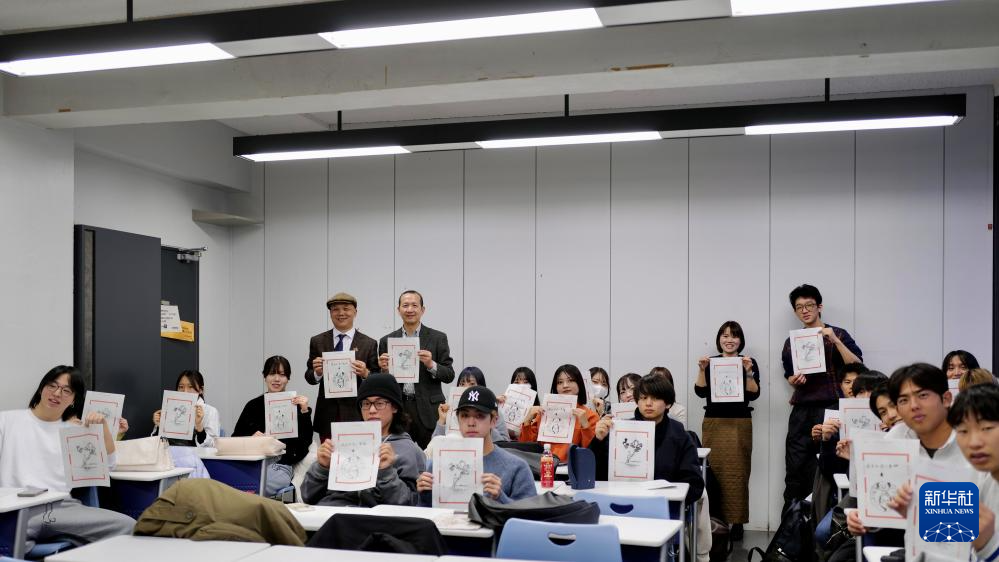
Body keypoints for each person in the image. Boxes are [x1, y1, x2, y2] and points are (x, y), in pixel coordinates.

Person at [0, 366, 135, 551]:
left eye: (66, 391)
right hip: (15, 508)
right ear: (41, 388)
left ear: (73, 399)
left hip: (60, 508)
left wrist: (103, 428)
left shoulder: (74, 432)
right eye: (52, 386)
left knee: (129, 526)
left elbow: (108, 466)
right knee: (14, 532)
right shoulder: (6, 421)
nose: (57, 393)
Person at [844, 363, 971, 540]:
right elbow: (883, 502)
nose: (914, 406)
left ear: (946, 399)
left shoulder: (974, 444)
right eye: (903, 400)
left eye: (923, 395)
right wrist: (864, 517)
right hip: (910, 543)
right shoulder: (896, 436)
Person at [781, 284, 862, 515]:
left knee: (829, 465)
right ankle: (792, 524)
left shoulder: (838, 334)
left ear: (819, 307)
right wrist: (793, 380)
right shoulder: (792, 341)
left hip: (833, 407)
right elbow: (789, 374)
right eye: (799, 307)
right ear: (795, 311)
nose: (805, 310)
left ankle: (825, 522)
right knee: (795, 467)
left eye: (809, 305)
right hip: (802, 409)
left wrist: (835, 340)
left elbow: (858, 366)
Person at [301, 373, 425, 507]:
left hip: (373, 517)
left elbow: (409, 503)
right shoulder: (343, 442)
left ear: (394, 407)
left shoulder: (407, 449)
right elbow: (307, 496)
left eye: (379, 403)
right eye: (366, 404)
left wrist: (386, 472)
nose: (371, 410)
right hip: (330, 511)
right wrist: (321, 468)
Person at [590, 373, 705, 504]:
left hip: (664, 506)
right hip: (621, 501)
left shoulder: (679, 435)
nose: (648, 403)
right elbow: (594, 475)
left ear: (668, 403)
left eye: (655, 398)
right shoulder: (620, 431)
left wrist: (668, 494)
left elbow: (694, 484)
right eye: (643, 398)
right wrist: (598, 441)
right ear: (637, 401)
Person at [693, 321, 761, 540]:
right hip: (714, 422)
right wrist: (702, 369)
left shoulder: (748, 362)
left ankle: (737, 522)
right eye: (725, 335)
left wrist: (748, 372)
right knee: (712, 471)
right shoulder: (710, 362)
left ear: (741, 340)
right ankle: (715, 520)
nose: (729, 340)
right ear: (719, 339)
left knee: (739, 473)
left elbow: (754, 394)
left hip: (740, 423)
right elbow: (700, 392)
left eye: (734, 336)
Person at [417, 386, 536, 505]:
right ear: (457, 420)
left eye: (479, 416)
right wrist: (425, 494)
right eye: (465, 415)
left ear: (494, 420)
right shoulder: (438, 465)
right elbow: (426, 512)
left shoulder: (516, 468)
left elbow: (531, 513)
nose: (471, 423)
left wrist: (501, 498)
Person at [378, 290, 455, 449]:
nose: (410, 309)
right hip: (399, 407)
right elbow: (383, 383)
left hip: (429, 408)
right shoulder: (386, 341)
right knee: (399, 454)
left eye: (414, 305)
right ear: (398, 310)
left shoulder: (438, 338)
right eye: (405, 305)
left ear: (422, 309)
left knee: (431, 454)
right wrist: (384, 370)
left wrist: (431, 364)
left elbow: (449, 375)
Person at [232, 355, 314, 496]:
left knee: (256, 487)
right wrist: (251, 438)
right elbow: (235, 438)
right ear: (264, 376)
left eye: (282, 375)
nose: (276, 379)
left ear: (288, 378)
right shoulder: (253, 406)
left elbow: (305, 444)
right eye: (272, 374)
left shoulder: (297, 406)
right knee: (233, 481)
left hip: (280, 466)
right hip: (253, 463)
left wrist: (304, 411)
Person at [305, 292, 380, 440]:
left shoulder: (369, 343)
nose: (341, 313)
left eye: (346, 309)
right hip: (327, 414)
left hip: (357, 413)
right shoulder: (318, 341)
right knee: (328, 454)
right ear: (330, 313)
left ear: (355, 312)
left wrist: (365, 373)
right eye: (336, 309)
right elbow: (309, 376)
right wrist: (317, 373)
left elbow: (377, 378)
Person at [519, 364, 599, 463]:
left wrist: (585, 425)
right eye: (560, 382)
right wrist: (527, 421)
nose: (565, 385)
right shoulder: (544, 412)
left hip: (573, 469)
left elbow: (591, 453)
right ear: (555, 387)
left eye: (570, 380)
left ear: (579, 384)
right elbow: (526, 449)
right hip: (543, 467)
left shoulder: (590, 416)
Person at [432, 366, 508, 443]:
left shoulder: (492, 410)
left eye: (472, 384)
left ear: (482, 387)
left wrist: (487, 425)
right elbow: (434, 444)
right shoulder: (450, 410)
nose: (466, 388)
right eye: (462, 384)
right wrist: (442, 420)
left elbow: (505, 442)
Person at [152, 370, 220, 447]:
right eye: (181, 387)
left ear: (201, 390)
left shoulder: (210, 411)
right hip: (170, 453)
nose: (185, 391)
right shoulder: (170, 408)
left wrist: (199, 427)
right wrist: (159, 426)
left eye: (190, 387)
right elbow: (156, 445)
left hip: (197, 454)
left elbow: (213, 445)